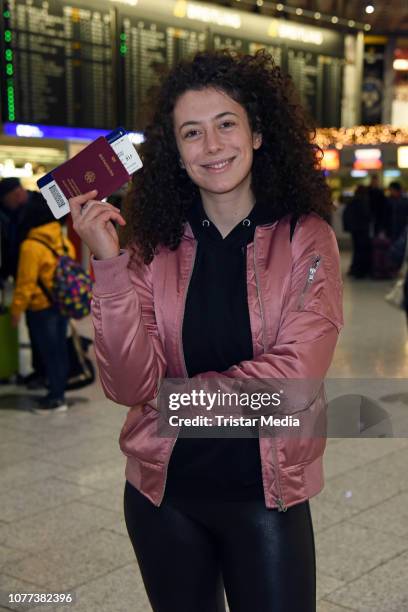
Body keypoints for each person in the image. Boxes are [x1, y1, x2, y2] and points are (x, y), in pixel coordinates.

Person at [69, 50, 343, 612]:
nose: (212, 146)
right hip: (162, 497)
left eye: (226, 125)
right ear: (176, 150)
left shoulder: (304, 239)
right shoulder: (151, 247)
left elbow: (291, 383)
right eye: (192, 132)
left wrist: (168, 404)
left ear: (258, 134)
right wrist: (110, 266)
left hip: (266, 497)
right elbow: (126, 385)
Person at [10, 197, 75, 413]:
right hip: (59, 304)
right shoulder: (62, 239)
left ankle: (55, 398)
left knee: (49, 353)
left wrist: (17, 310)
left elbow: (25, 283)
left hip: (40, 307)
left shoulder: (31, 245)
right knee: (59, 350)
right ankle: (59, 392)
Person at [0, 177, 49, 387]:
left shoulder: (39, 208)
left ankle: (51, 383)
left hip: (41, 284)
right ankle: (39, 373)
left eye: (5, 200)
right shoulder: (16, 211)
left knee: (47, 338)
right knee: (36, 331)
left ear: (17, 193)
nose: (5, 205)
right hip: (29, 282)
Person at [343, 185, 372, 278]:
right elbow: (367, 214)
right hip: (363, 229)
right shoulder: (364, 201)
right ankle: (361, 271)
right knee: (362, 250)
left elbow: (346, 214)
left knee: (356, 250)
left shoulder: (352, 201)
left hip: (354, 230)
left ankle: (355, 269)